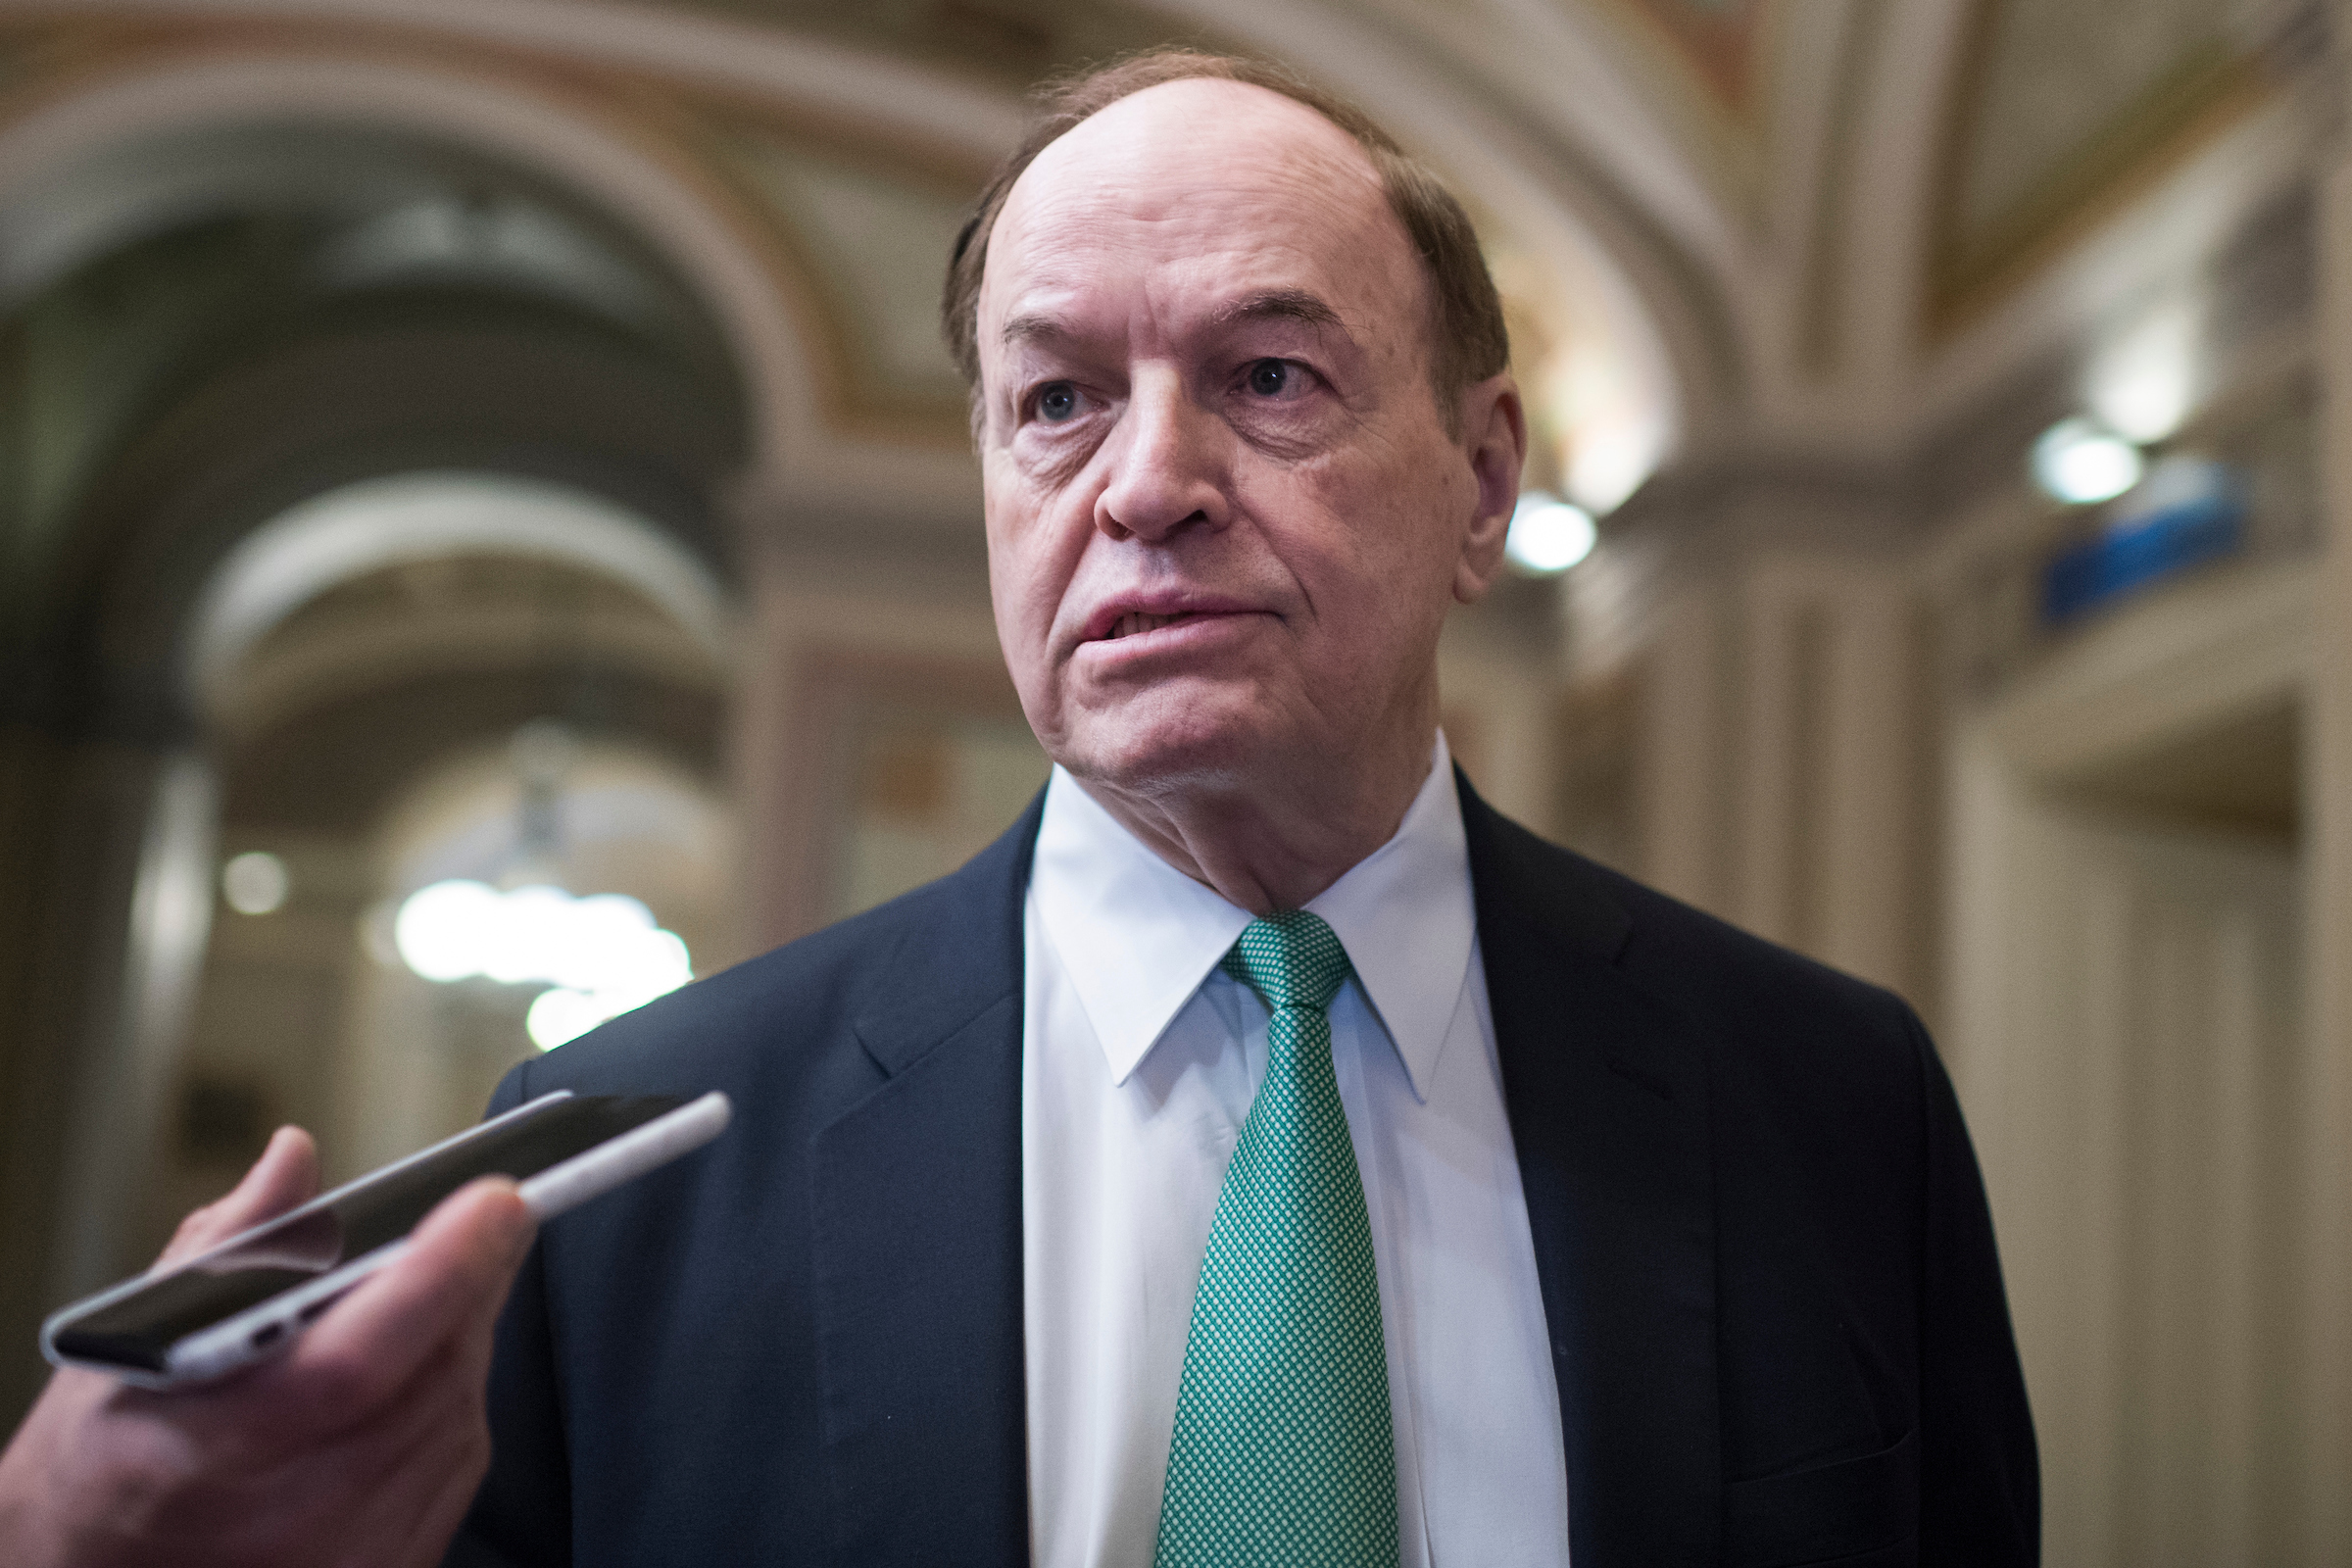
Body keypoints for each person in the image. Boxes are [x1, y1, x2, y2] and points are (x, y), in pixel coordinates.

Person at [0, 47, 2037, 1568]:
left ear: (1485, 481)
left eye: (1270, 377)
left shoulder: (1827, 1102)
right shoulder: (610, 1169)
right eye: (1056, 398)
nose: (1145, 482)